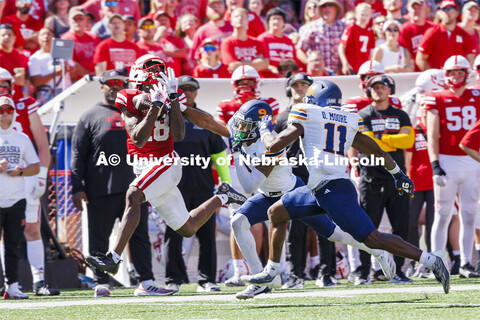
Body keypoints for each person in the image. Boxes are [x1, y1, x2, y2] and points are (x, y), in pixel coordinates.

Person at [242, 80, 451, 295]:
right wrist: (398, 174)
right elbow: (375, 150)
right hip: (321, 187)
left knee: (373, 238)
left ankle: (431, 260)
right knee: (276, 212)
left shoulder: (308, 113)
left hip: (334, 190)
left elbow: (274, 146)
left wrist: (264, 129)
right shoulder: (347, 119)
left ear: (315, 101)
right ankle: (272, 270)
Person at [85, 54, 247, 276]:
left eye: (156, 78)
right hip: (145, 166)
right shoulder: (127, 96)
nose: (153, 83)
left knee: (133, 195)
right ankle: (224, 196)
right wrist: (157, 103)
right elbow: (138, 137)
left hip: (165, 163)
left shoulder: (172, 97)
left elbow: (180, 134)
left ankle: (113, 258)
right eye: (150, 78)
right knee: (187, 227)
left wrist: (173, 103)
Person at [228, 99, 395, 299]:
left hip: (291, 194)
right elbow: (221, 128)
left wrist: (236, 153)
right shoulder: (248, 137)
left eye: (245, 125)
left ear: (259, 126)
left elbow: (249, 185)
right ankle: (259, 281)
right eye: (240, 124)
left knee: (334, 233)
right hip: (267, 196)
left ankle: (377, 251)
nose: (240, 129)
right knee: (238, 222)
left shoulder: (269, 143)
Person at [71, 70, 169, 297]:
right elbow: (78, 154)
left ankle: (146, 281)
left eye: (120, 82)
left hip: (136, 187)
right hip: (100, 189)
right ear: (102, 87)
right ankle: (100, 283)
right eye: (110, 83)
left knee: (139, 236)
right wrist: (77, 187)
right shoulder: (89, 116)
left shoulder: (138, 110)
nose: (115, 86)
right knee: (99, 237)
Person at [164, 75, 229, 293]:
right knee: (173, 234)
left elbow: (219, 153)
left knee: (206, 235)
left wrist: (225, 183)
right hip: (174, 188)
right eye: (183, 89)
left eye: (191, 89)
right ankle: (173, 279)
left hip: (203, 187)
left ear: (197, 92)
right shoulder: (165, 117)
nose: (187, 93)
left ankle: (207, 280)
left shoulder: (205, 118)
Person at [0, 68, 58, 296]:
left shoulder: (24, 105)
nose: (2, 89)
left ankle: (39, 281)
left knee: (32, 229)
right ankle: (7, 283)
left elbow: (42, 146)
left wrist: (40, 176)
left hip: (26, 176)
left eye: (5, 84)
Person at [355, 74, 415, 284]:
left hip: (397, 177)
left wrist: (381, 139)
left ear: (390, 90)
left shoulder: (401, 115)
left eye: (382, 87)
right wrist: (391, 140)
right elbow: (367, 142)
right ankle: (363, 271)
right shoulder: (363, 114)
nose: (378, 90)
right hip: (371, 177)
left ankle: (398, 271)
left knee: (401, 227)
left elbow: (408, 140)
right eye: (374, 87)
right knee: (365, 227)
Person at [425, 55, 480, 278]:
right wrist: (435, 163)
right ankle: (437, 262)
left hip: (471, 160)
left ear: (467, 74)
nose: (456, 77)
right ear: (446, 76)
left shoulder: (476, 95)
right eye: (453, 73)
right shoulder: (436, 97)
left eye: (460, 72)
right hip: (447, 160)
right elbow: (432, 135)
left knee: (469, 213)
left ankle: (467, 263)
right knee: (443, 213)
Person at [0, 96, 40, 300]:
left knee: (13, 245)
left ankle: (12, 286)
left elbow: (35, 166)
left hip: (16, 199)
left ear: (14, 112)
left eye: (9, 109)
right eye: (1, 109)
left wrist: (21, 171)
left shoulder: (22, 139)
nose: (5, 113)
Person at [416, 0, 476, 70]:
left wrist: (463, 76)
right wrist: (434, 76)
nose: (448, 12)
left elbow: (471, 60)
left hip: (456, 78)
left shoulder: (464, 35)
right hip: (438, 78)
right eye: (444, 9)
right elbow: (420, 59)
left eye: (451, 9)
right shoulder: (432, 32)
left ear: (457, 13)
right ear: (440, 13)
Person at [297, 0, 345, 75]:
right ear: (320, 10)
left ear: (336, 9)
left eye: (330, 5)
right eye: (323, 6)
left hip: (341, 74)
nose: (327, 8)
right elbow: (300, 50)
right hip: (318, 75)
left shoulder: (344, 27)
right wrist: (312, 64)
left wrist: (344, 66)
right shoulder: (311, 27)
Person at [28, 28, 74, 105]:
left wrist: (69, 69)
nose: (46, 37)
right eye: (42, 34)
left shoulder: (62, 53)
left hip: (66, 93)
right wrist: (55, 73)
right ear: (38, 39)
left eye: (49, 34)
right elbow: (36, 82)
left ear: (54, 38)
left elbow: (74, 74)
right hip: (47, 97)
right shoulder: (35, 58)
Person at [220, 7, 269, 74]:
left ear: (247, 21)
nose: (240, 18)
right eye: (236, 17)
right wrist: (256, 63)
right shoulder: (227, 43)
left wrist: (240, 63)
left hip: (255, 81)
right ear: (231, 22)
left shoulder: (257, 42)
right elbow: (232, 66)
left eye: (243, 16)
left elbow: (265, 63)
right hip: (236, 81)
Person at [257, 8, 302, 77]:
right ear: (268, 22)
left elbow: (294, 61)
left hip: (287, 79)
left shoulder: (289, 40)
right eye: (273, 19)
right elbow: (260, 62)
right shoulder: (262, 39)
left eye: (279, 19)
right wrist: (272, 69)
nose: (276, 21)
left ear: (284, 22)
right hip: (269, 80)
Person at [61, 7, 101, 78]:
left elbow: (100, 58)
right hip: (77, 81)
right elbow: (71, 63)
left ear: (86, 20)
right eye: (75, 19)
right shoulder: (65, 39)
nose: (78, 22)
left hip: (96, 78)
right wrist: (90, 76)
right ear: (69, 20)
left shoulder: (94, 37)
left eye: (81, 19)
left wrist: (97, 75)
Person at [338, 2, 375, 75]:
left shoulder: (370, 32)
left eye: (367, 15)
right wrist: (345, 63)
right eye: (362, 14)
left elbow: (371, 52)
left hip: (364, 69)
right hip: (352, 67)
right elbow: (341, 47)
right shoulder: (351, 28)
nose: (364, 17)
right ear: (356, 14)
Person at [398, 0, 434, 71]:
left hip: (432, 71)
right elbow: (403, 53)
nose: (416, 11)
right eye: (414, 8)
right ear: (408, 9)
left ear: (425, 9)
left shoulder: (433, 28)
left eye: (419, 8)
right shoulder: (403, 29)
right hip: (413, 73)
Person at [0, 24, 28, 101]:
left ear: (15, 38)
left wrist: (27, 82)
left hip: (18, 101)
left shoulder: (22, 56)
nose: (6, 37)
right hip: (2, 104)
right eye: (3, 35)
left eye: (9, 35)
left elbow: (26, 78)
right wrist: (12, 80)